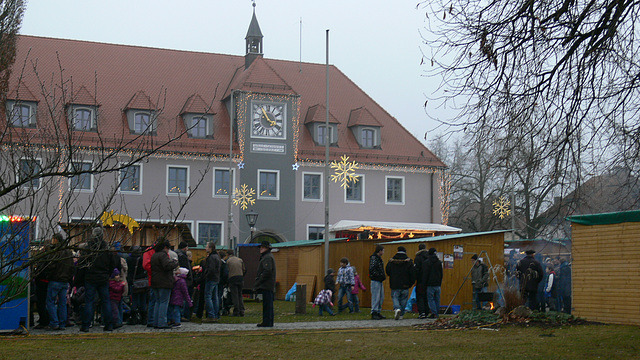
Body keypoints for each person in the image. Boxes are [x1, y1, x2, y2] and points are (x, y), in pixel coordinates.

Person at [78, 227, 121, 332]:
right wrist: (107, 273)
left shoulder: (88, 248)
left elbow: (82, 264)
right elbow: (112, 264)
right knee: (106, 301)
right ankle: (109, 324)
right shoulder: (107, 248)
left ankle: (86, 325)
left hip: (90, 277)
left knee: (89, 302)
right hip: (103, 278)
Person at [45, 233, 75, 331]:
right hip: (65, 281)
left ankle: (54, 323)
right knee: (63, 303)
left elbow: (50, 265)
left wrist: (48, 275)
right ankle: (62, 323)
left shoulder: (54, 251)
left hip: (55, 280)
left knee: (51, 302)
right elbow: (72, 267)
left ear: (56, 240)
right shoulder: (68, 252)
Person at [149, 238, 178, 329]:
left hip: (155, 281)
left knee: (157, 302)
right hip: (164, 281)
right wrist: (175, 263)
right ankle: (162, 322)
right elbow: (167, 266)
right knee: (164, 303)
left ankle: (156, 322)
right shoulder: (163, 255)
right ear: (165, 247)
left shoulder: (154, 255)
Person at [385, 246, 415, 320]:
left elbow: (388, 271)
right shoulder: (409, 262)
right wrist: (411, 283)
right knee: (404, 299)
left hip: (394, 283)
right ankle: (401, 314)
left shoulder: (391, 261)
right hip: (405, 284)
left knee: (395, 297)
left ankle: (397, 308)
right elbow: (412, 274)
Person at [254, 241, 276, 327]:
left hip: (267, 284)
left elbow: (267, 271)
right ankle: (268, 321)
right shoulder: (267, 256)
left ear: (267, 248)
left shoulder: (267, 258)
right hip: (268, 284)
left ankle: (267, 321)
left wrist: (260, 280)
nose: (261, 249)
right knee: (268, 303)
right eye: (260, 247)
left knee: (267, 304)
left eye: (263, 247)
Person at [126, 246, 147, 325]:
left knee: (134, 300)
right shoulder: (142, 259)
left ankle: (134, 318)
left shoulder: (129, 259)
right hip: (142, 281)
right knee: (143, 300)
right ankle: (144, 318)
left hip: (133, 281)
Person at [202, 242, 221, 323]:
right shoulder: (217, 256)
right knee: (215, 297)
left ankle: (211, 315)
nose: (205, 248)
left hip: (211, 279)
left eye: (207, 247)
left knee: (208, 296)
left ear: (210, 248)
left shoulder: (211, 257)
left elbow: (211, 269)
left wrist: (205, 276)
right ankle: (216, 315)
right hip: (216, 278)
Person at [176, 242, 193, 321]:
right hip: (184, 278)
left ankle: (179, 315)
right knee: (184, 297)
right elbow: (186, 268)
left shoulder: (176, 254)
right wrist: (190, 276)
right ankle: (182, 315)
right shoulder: (182, 256)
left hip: (177, 278)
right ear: (185, 248)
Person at [424, 247, 443, 318]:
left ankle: (434, 312)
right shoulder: (439, 262)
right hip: (437, 284)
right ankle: (436, 313)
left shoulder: (427, 262)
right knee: (437, 299)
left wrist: (424, 283)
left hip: (430, 283)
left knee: (430, 299)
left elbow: (425, 274)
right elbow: (441, 274)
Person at [226, 249, 246, 316]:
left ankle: (236, 311)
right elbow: (244, 269)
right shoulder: (240, 260)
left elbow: (227, 271)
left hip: (232, 279)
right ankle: (242, 310)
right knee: (240, 295)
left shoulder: (228, 261)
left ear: (228, 254)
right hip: (240, 278)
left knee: (234, 295)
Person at [369, 245, 386, 320]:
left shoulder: (377, 258)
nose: (383, 252)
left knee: (380, 297)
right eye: (383, 250)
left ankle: (378, 311)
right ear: (380, 251)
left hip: (378, 280)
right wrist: (379, 275)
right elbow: (372, 269)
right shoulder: (374, 258)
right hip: (376, 280)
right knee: (376, 296)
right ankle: (374, 311)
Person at [413, 243, 430, 319]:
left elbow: (416, 269)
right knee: (427, 297)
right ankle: (427, 311)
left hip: (420, 280)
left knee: (420, 296)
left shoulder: (418, 257)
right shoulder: (429, 257)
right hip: (429, 280)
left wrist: (415, 279)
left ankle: (422, 312)